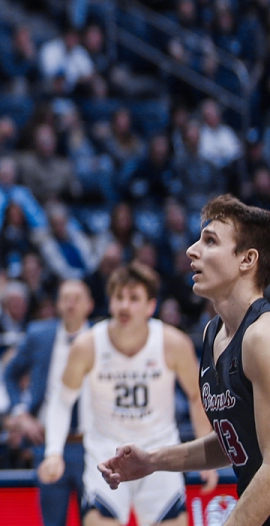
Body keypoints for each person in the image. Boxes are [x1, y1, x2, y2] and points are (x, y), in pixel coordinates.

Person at [100, 196, 270, 520]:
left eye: (210, 241)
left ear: (247, 259)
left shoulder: (262, 338)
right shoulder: (213, 333)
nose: (192, 250)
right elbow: (235, 440)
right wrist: (151, 461)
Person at [40, 264, 212, 526]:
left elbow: (196, 398)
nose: (124, 306)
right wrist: (53, 452)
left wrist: (206, 457)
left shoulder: (173, 343)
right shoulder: (87, 345)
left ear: (150, 306)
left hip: (159, 452)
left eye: (134, 299)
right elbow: (61, 401)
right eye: (119, 297)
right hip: (106, 453)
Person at [3, 280, 94, 526]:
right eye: (65, 297)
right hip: (48, 443)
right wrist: (21, 413)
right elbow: (10, 373)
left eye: (77, 297)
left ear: (90, 305)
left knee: (98, 520)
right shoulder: (39, 335)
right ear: (57, 305)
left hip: (93, 445)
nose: (71, 303)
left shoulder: (103, 337)